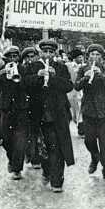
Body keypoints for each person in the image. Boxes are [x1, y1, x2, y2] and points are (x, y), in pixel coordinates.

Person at [29, 39, 75, 192]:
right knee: (43, 148)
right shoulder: (33, 66)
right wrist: (38, 76)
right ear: (40, 52)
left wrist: (54, 78)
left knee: (57, 147)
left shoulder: (61, 67)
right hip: (39, 113)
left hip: (58, 113)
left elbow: (69, 86)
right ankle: (47, 170)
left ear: (55, 53)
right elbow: (24, 85)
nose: (47, 54)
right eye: (45, 52)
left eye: (51, 52)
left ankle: (57, 181)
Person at [75, 44, 105, 180]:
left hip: (104, 111)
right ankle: (95, 158)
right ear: (88, 56)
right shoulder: (83, 69)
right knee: (89, 140)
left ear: (101, 57)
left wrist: (100, 76)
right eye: (92, 54)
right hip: (89, 110)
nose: (95, 57)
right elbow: (76, 86)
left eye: (98, 55)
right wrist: (85, 77)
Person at [0, 46, 31, 180]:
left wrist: (20, 77)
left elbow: (27, 86)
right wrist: (2, 76)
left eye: (15, 56)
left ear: (18, 57)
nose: (12, 59)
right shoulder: (1, 70)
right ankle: (12, 159)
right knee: (5, 138)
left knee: (20, 140)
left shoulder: (24, 69)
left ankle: (17, 169)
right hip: (6, 108)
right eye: (10, 57)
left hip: (21, 108)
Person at [21, 46, 42, 170]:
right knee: (28, 132)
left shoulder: (41, 66)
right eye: (27, 57)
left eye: (32, 56)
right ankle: (30, 154)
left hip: (37, 104)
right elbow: (24, 83)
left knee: (37, 131)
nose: (30, 59)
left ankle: (36, 156)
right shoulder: (22, 69)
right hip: (25, 104)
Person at [66, 49, 85, 137]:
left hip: (81, 91)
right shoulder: (68, 66)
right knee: (74, 112)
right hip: (72, 92)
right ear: (75, 58)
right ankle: (77, 124)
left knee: (80, 111)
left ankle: (81, 130)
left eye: (82, 57)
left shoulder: (85, 66)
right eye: (79, 57)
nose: (81, 59)